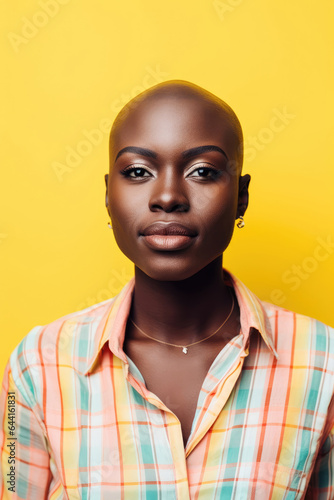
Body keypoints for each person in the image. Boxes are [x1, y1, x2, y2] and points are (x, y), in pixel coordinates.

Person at [0, 80, 333, 499]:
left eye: (203, 172)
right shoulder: (37, 365)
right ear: (108, 195)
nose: (169, 197)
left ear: (241, 197)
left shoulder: (324, 364)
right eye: (138, 172)